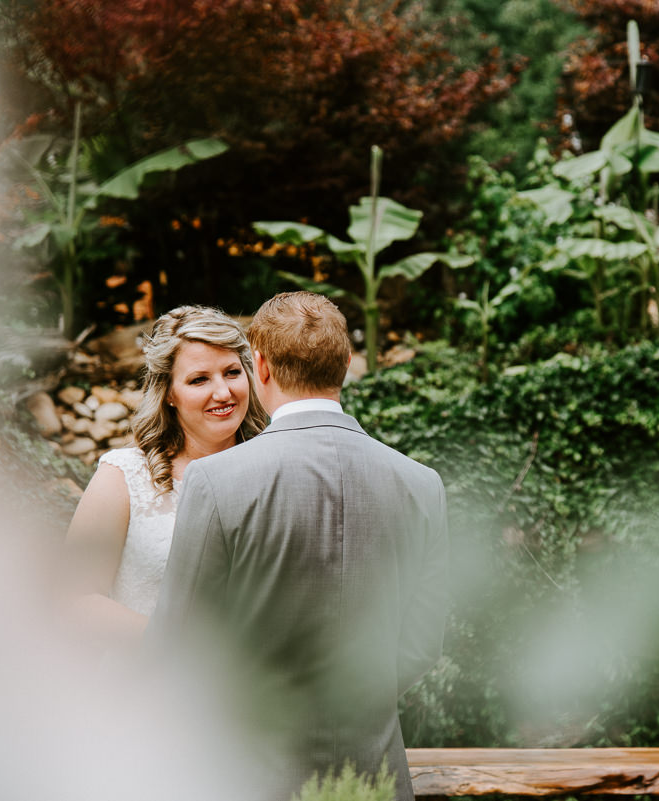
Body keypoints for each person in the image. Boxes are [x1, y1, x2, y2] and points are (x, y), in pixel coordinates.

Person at [148, 291, 449, 801]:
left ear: (259, 367)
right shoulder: (420, 483)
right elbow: (422, 644)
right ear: (347, 364)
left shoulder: (216, 480)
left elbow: (180, 641)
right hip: (373, 775)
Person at [63, 306, 268, 647]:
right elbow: (73, 597)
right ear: (169, 392)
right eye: (199, 379)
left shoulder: (274, 470)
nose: (223, 392)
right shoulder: (124, 477)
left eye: (232, 372)